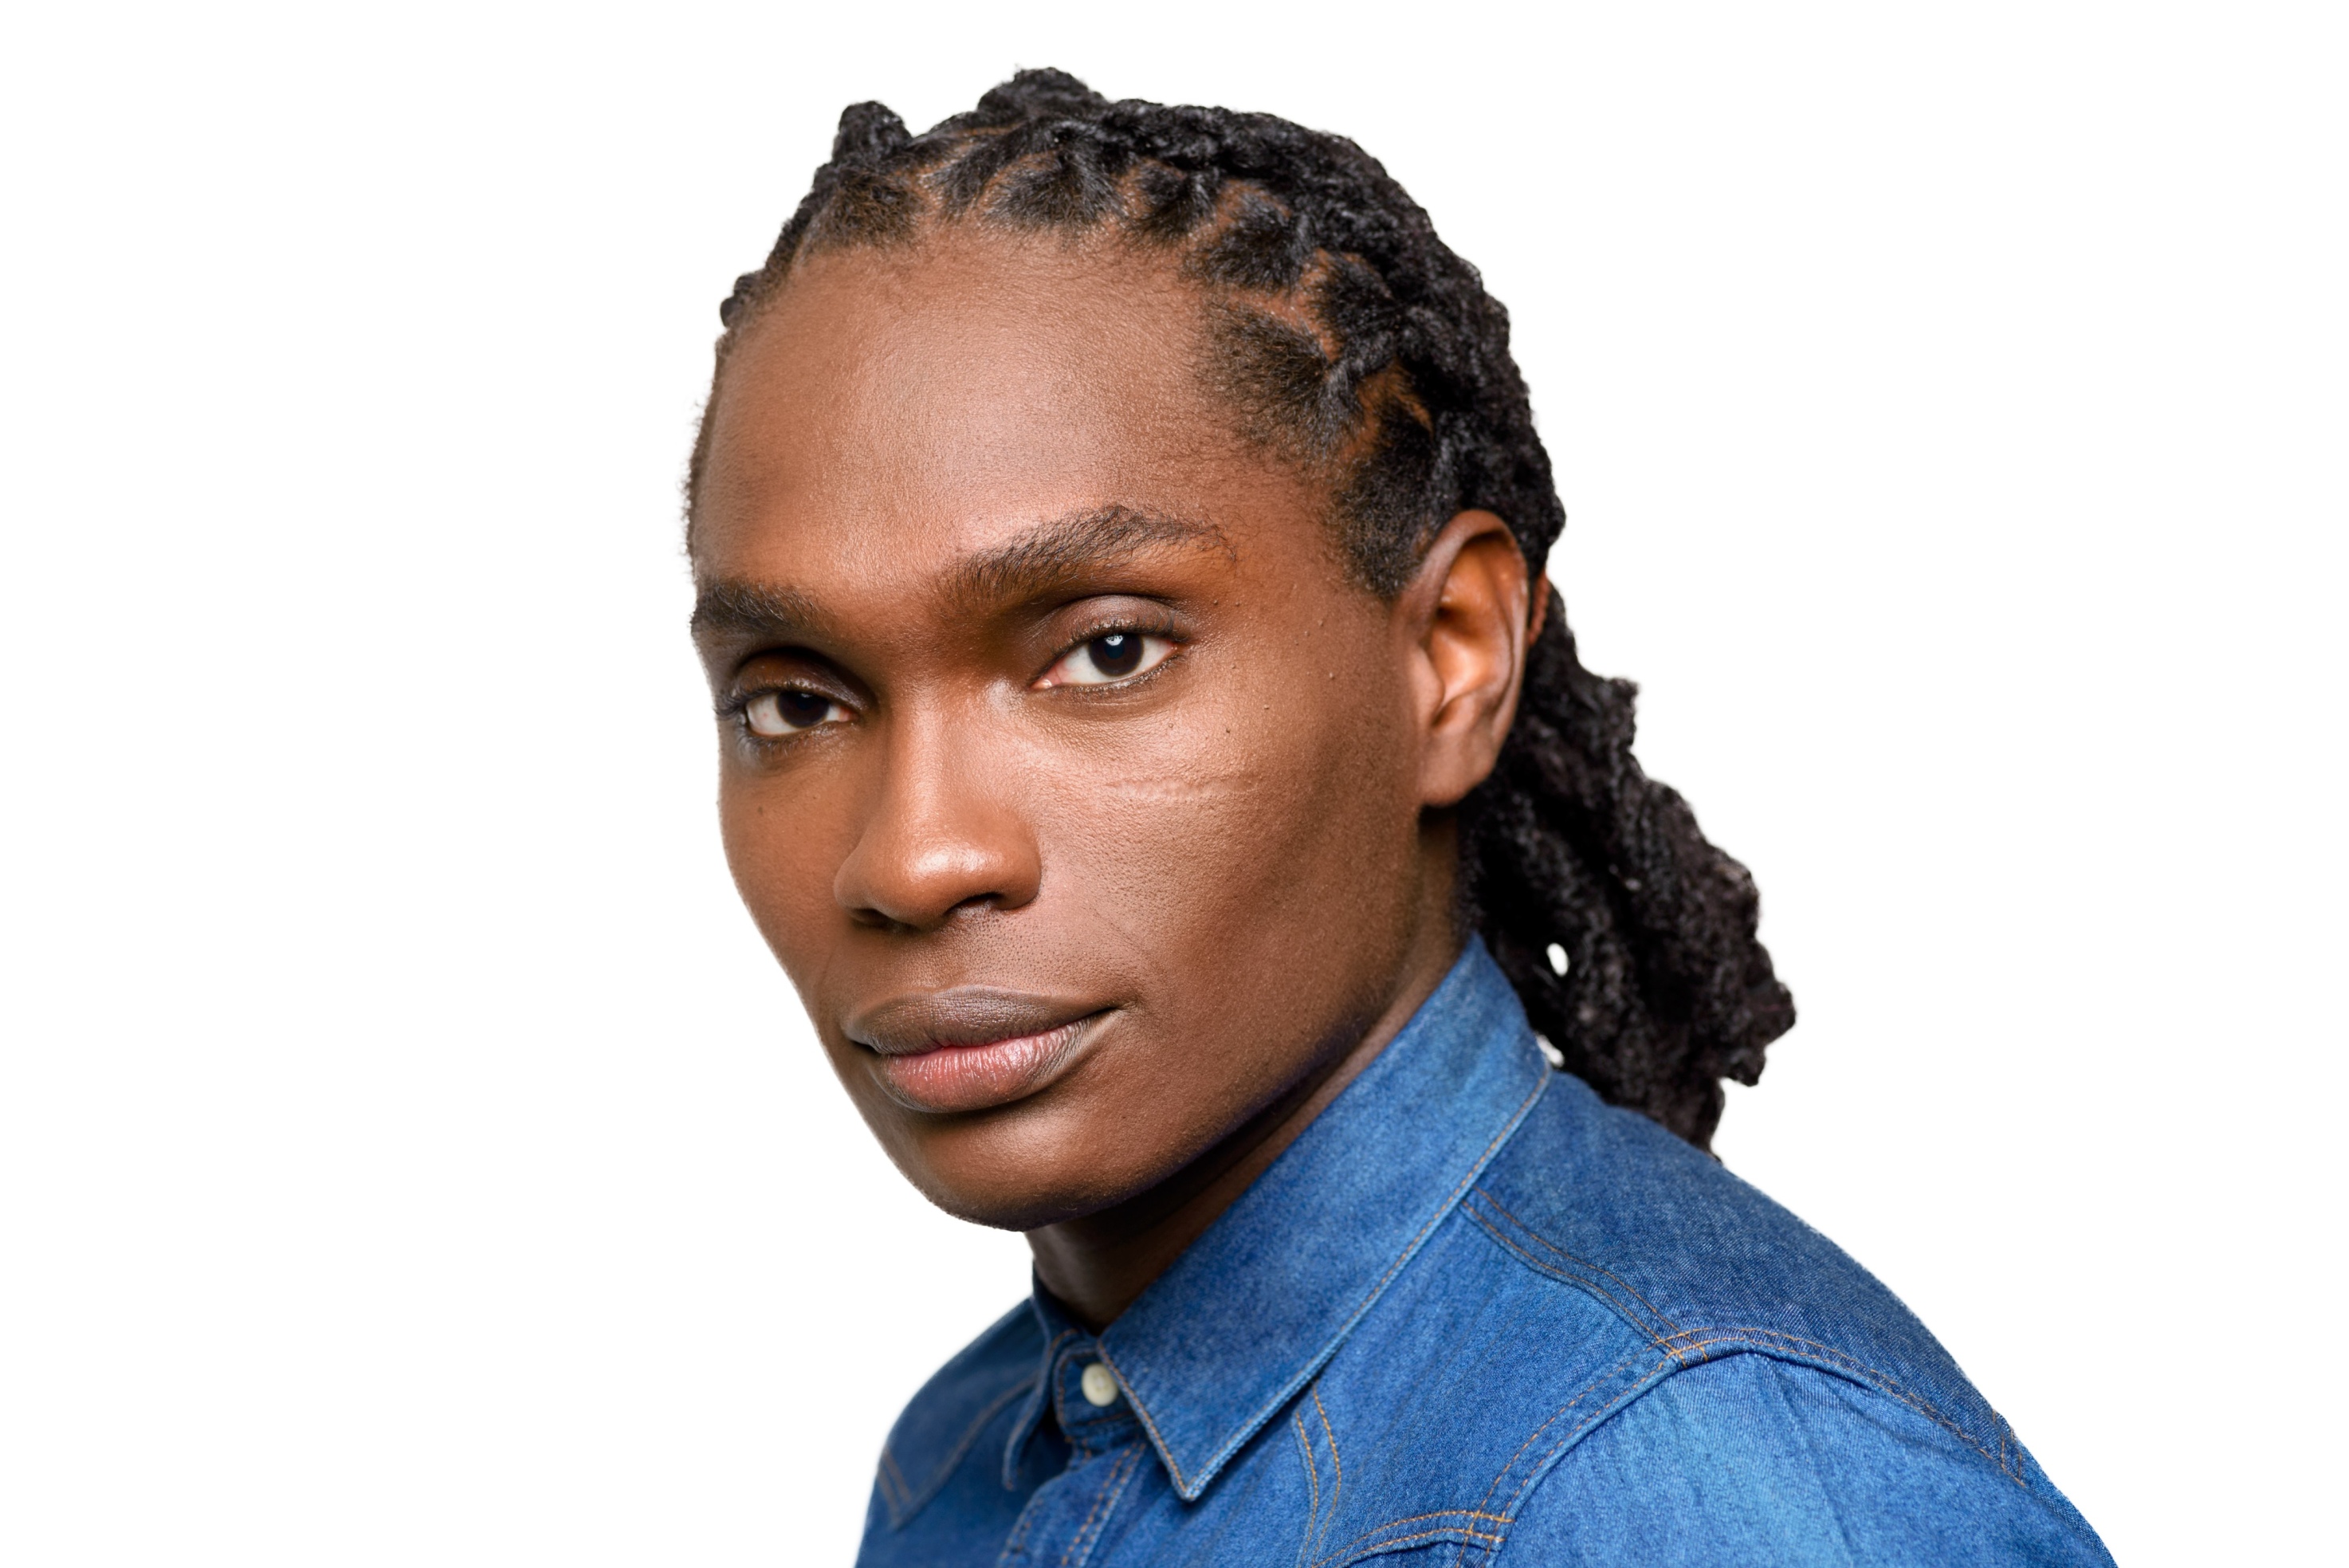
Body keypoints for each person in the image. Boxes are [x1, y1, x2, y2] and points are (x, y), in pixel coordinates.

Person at [685, 69, 2112, 1566]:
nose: (916, 858)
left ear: (1450, 659)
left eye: (1107, 653)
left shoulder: (1698, 1479)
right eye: (795, 702)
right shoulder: (962, 1466)